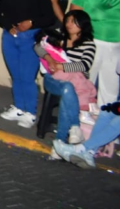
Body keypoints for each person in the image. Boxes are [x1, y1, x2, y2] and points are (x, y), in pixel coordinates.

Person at [0, 0, 55, 127]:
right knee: (16, 74)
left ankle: (30, 112)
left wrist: (31, 22)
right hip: (10, 37)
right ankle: (18, 107)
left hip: (30, 38)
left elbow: (49, 18)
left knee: (27, 76)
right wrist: (8, 26)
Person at [39, 9, 97, 147]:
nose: (69, 24)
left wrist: (61, 66)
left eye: (73, 21)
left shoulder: (88, 44)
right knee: (67, 88)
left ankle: (59, 141)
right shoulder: (59, 38)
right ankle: (74, 129)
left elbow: (84, 65)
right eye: (68, 21)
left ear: (82, 24)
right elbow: (37, 47)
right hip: (53, 80)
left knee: (68, 89)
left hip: (74, 83)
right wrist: (49, 58)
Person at [70, 0, 120, 105]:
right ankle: (79, 119)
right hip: (92, 45)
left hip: (116, 47)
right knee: (85, 83)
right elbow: (73, 20)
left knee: (111, 88)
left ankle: (103, 122)